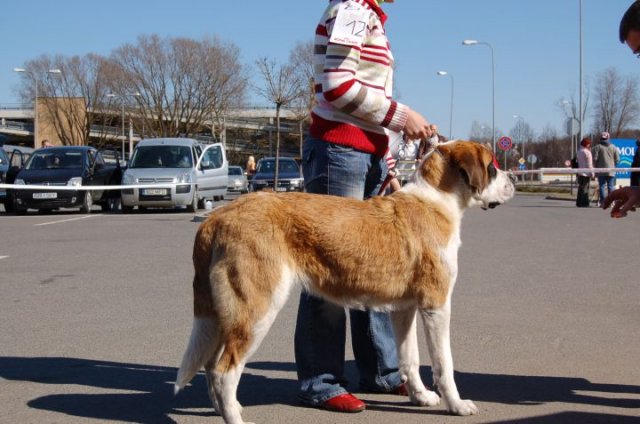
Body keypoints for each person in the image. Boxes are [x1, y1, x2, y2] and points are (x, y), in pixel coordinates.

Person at [295, 0, 434, 414]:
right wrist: (401, 115)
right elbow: (337, 85)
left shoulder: (366, 14)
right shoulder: (352, 10)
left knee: (374, 264)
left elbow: (362, 103)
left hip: (360, 153)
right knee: (328, 266)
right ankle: (320, 381)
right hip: (340, 151)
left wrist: (385, 163)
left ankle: (381, 371)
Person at [591, 132, 620, 207]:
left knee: (602, 186)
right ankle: (611, 202)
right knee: (611, 186)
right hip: (611, 170)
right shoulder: (613, 147)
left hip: (601, 170)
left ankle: (603, 202)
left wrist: (596, 165)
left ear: (601, 138)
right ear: (608, 138)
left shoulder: (598, 147)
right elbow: (618, 160)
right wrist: (613, 165)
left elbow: (595, 158)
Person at [575, 137, 594, 207]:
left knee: (580, 188)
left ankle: (579, 202)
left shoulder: (578, 152)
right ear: (587, 144)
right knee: (585, 188)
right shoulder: (588, 152)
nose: (589, 145)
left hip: (580, 172)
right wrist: (593, 173)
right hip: (586, 173)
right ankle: (585, 203)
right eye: (589, 144)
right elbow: (589, 164)